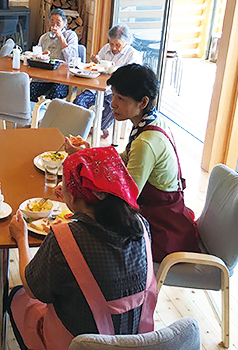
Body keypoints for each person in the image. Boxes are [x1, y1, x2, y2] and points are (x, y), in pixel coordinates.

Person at [7, 147, 157, 350]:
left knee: (18, 296)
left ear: (76, 196)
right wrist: (76, 203)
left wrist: (21, 238)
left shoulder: (65, 238)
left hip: (78, 346)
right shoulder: (141, 225)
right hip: (136, 343)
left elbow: (32, 288)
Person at [67, 64, 201, 262]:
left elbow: (126, 200)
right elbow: (124, 159)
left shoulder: (146, 142)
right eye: (113, 95)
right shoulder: (151, 122)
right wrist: (86, 155)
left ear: (143, 102)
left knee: (83, 228)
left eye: (120, 98)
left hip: (158, 230)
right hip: (168, 215)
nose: (112, 103)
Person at [73, 25, 143, 138]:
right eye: (111, 44)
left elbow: (131, 77)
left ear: (127, 42)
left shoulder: (133, 55)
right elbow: (97, 67)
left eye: (118, 45)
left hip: (116, 91)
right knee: (79, 100)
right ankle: (83, 126)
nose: (114, 48)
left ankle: (98, 128)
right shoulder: (106, 48)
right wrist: (95, 62)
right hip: (97, 87)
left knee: (113, 107)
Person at [30, 8, 79, 102]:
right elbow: (37, 56)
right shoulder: (44, 37)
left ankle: (50, 111)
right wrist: (41, 55)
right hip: (44, 78)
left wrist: (61, 38)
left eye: (58, 22)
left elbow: (72, 58)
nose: (54, 24)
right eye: (52, 21)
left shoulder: (70, 35)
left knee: (54, 94)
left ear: (64, 23)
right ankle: (36, 111)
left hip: (61, 79)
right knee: (29, 90)